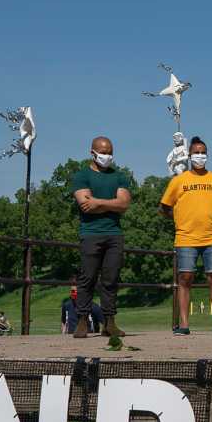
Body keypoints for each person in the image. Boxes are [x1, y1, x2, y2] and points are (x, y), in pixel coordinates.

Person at [160, 135, 212, 336]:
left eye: (203, 153)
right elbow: (164, 207)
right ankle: (184, 325)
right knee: (185, 278)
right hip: (186, 237)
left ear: (207, 155)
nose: (200, 156)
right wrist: (179, 219)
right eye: (196, 153)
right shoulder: (179, 181)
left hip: (211, 237)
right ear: (189, 155)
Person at [70, 136, 133, 339]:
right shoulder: (81, 176)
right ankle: (82, 321)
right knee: (87, 278)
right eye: (103, 152)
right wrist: (110, 203)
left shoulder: (120, 176)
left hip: (114, 234)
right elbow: (85, 205)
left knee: (111, 279)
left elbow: (124, 204)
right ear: (93, 152)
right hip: (90, 234)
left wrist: (98, 202)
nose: (107, 156)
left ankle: (110, 322)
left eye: (109, 152)